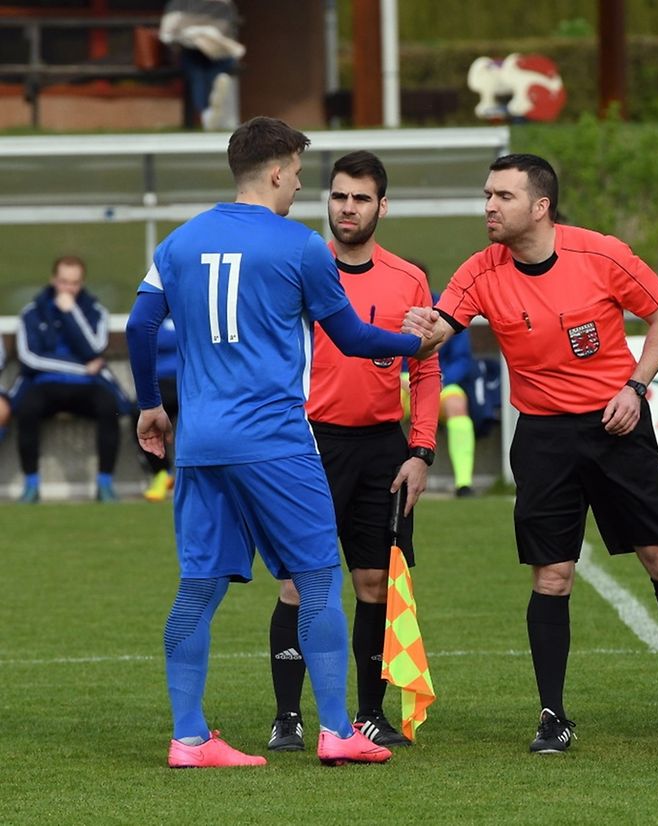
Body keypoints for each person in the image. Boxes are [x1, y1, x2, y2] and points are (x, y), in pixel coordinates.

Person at [402, 153, 658, 753]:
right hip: (544, 438)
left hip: (616, 427)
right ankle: (552, 714)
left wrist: (635, 388)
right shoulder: (480, 270)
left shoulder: (601, 254)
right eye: (487, 195)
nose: (489, 206)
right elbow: (438, 331)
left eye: (503, 196)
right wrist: (416, 327)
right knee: (552, 575)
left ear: (540, 206)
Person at [125, 116, 424, 769]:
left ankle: (189, 737)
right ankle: (338, 729)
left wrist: (151, 404)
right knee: (318, 579)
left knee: (197, 587)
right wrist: (415, 342)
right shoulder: (299, 246)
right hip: (274, 439)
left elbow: (140, 324)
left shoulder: (176, 244)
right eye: (298, 175)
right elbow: (351, 338)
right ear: (279, 171)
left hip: (200, 441)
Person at [266, 150, 439, 752]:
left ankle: (367, 714)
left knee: (373, 582)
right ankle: (287, 717)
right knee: (297, 581)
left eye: (361, 198)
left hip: (381, 450)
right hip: (307, 444)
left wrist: (421, 451)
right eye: (339, 196)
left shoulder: (408, 278)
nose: (348, 208)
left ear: (381, 207)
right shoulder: (297, 265)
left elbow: (426, 368)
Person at [11, 256, 127, 503]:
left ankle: (105, 483)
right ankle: (31, 484)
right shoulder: (32, 313)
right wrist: (82, 369)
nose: (68, 288)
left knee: (109, 407)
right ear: (54, 280)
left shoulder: (95, 311)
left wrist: (71, 313)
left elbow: (95, 347)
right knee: (27, 408)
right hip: (45, 383)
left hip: (86, 388)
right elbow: (31, 358)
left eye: (74, 283)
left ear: (82, 283)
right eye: (63, 282)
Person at [159, 0, 244, 130]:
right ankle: (210, 103)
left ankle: (204, 111)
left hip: (209, 51)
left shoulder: (180, 3)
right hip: (200, 51)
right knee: (209, 72)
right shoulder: (224, 4)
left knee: (198, 75)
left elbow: (169, 31)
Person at [435, 292, 478, 497]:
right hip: (398, 384)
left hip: (439, 381)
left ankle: (463, 483)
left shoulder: (446, 309)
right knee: (375, 403)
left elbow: (462, 358)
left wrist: (440, 380)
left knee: (457, 405)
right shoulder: (391, 304)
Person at [141, 317, 179, 502]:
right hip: (160, 382)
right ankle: (162, 474)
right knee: (141, 415)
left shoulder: (193, 304)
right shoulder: (154, 310)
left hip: (191, 379)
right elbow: (141, 334)